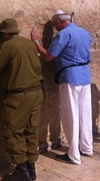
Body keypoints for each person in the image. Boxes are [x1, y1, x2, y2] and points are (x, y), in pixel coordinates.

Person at [0, 18, 44, 181]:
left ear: (5, 34)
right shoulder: (30, 44)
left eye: (2, 35)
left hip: (20, 96)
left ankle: (21, 170)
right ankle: (32, 168)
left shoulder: (8, 46)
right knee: (30, 130)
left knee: (11, 131)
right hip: (37, 92)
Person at [31, 9, 93, 165]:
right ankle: (86, 148)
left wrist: (36, 42)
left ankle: (73, 155)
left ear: (59, 22)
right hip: (85, 75)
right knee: (85, 114)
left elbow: (48, 56)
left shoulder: (63, 34)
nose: (55, 28)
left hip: (70, 76)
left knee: (70, 115)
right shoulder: (84, 32)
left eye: (54, 25)